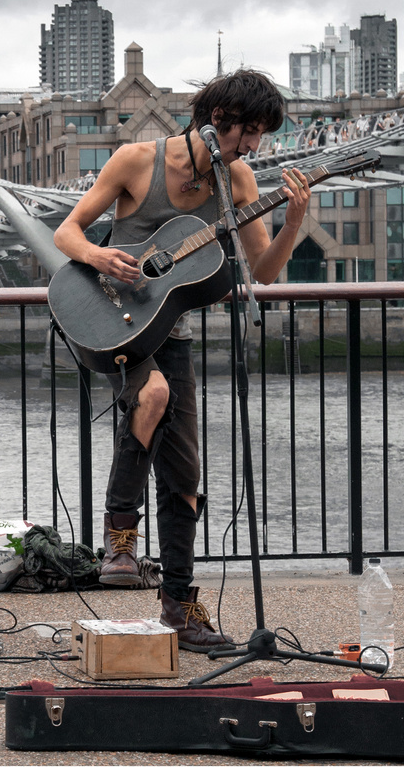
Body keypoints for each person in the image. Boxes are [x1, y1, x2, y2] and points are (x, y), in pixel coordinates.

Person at [53, 69, 311, 652]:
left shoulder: (238, 180)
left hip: (169, 328)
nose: (252, 146)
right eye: (247, 131)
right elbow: (67, 233)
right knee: (153, 395)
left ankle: (179, 608)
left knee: (185, 479)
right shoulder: (135, 160)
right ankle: (121, 530)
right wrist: (99, 256)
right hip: (111, 314)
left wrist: (294, 220)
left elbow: (262, 272)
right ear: (217, 117)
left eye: (260, 136)